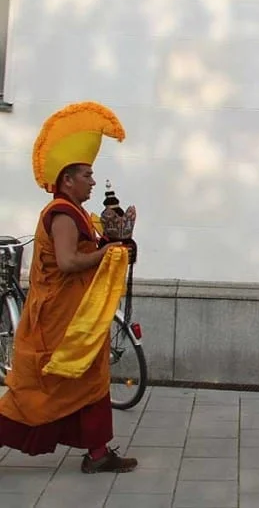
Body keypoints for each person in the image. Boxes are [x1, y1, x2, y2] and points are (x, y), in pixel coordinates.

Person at [0, 101, 138, 473]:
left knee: (91, 380)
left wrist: (113, 243)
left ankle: (98, 453)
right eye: (87, 175)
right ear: (67, 181)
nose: (93, 181)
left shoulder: (77, 212)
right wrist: (106, 253)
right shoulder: (61, 214)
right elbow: (67, 262)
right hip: (59, 323)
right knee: (38, 392)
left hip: (76, 316)